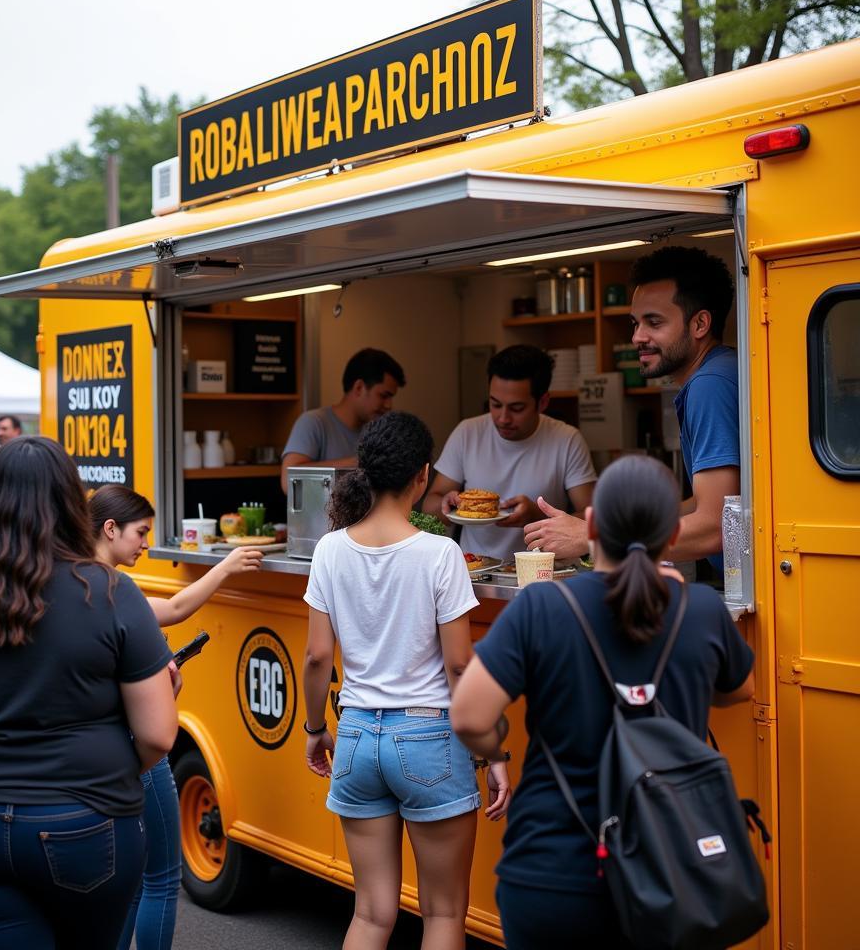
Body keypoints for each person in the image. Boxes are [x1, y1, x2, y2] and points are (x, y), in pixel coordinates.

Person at [449, 455, 755, 950]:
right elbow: (739, 689)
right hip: (670, 875)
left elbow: (468, 715)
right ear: (673, 538)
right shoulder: (700, 610)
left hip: (552, 874)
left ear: (589, 526)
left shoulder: (543, 606)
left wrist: (496, 741)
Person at [0, 437, 178, 950]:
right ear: (70, 500)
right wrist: (103, 772)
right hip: (88, 819)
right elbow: (156, 734)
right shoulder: (111, 592)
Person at [302, 411, 510, 950]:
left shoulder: (329, 549)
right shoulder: (440, 554)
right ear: (423, 475)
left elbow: (317, 657)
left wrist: (314, 726)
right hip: (429, 741)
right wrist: (495, 751)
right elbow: (461, 666)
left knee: (370, 915)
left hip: (354, 738)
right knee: (442, 914)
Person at [89, 484, 262, 950]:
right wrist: (227, 564)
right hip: (134, 751)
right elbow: (177, 609)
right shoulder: (114, 589)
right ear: (109, 529)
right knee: (160, 877)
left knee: (123, 879)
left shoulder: (66, 583)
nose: (147, 543)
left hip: (93, 755)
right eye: (141, 532)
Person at [523, 248, 738, 573]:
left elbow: (715, 526)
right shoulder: (721, 370)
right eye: (635, 323)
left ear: (700, 323)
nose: (637, 336)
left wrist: (594, 536)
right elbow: (714, 503)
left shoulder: (709, 385)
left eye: (654, 322)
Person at [421, 345, 597, 562]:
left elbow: (591, 519)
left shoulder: (567, 440)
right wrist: (447, 504)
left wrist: (537, 516)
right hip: (476, 572)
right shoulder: (468, 433)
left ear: (542, 402)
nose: (503, 418)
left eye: (516, 408)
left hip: (542, 573)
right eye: (495, 405)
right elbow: (429, 506)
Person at [280, 348, 406, 492]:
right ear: (359, 387)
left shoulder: (377, 432)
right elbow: (288, 482)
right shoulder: (313, 422)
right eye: (384, 396)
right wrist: (357, 464)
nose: (389, 405)